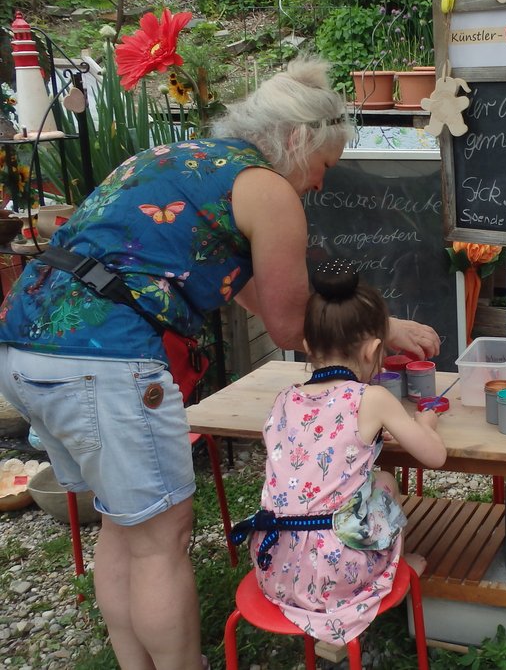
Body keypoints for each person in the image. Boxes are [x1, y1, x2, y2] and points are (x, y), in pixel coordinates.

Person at [0, 57, 440, 670]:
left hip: (27, 344)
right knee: (161, 540)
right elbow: (291, 326)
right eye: (322, 168)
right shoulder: (268, 189)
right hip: (105, 358)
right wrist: (383, 328)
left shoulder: (175, 160)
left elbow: (253, 292)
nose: (318, 185)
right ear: (295, 141)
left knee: (124, 527)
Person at [230, 257, 447, 643]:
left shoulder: (283, 399)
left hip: (274, 566)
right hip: (338, 572)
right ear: (374, 350)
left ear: (309, 345)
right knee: (382, 481)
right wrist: (424, 424)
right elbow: (435, 456)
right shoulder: (373, 398)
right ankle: (392, 567)